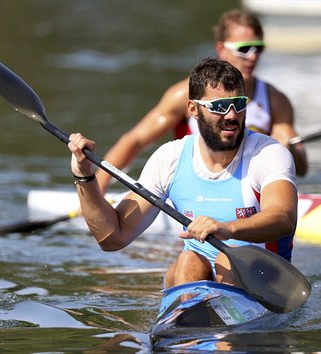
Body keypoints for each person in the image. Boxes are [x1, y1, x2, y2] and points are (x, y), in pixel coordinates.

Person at [68, 58, 297, 288]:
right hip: (195, 275)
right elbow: (113, 238)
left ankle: (211, 315)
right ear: (193, 109)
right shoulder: (171, 158)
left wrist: (227, 228)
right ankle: (185, 314)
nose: (231, 115)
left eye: (238, 104)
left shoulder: (268, 153)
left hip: (264, 280)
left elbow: (283, 217)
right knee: (188, 261)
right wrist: (85, 177)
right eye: (219, 107)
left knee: (227, 258)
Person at [94, 8, 307, 193]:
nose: (253, 56)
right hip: (193, 186)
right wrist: (97, 191)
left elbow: (302, 169)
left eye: (258, 48)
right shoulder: (183, 94)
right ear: (221, 49)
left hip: (248, 189)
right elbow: (136, 141)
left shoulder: (276, 100)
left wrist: (288, 148)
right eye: (244, 48)